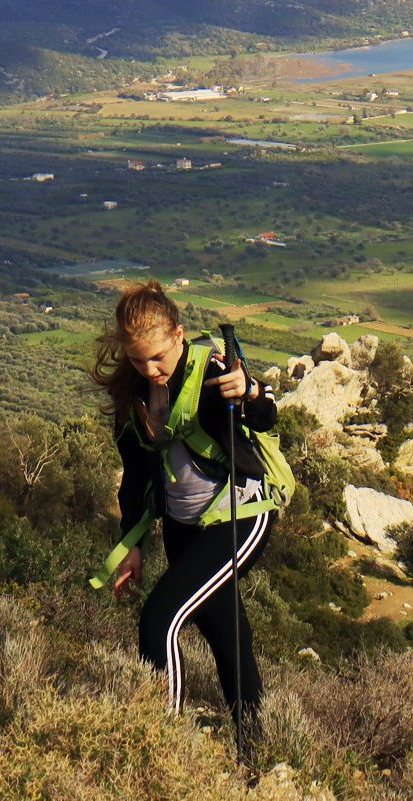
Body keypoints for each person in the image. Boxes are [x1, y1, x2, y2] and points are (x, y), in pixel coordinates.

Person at [89, 281, 280, 721]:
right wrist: (132, 543)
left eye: (157, 356)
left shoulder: (212, 370)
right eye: (138, 359)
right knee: (225, 632)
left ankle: (162, 740)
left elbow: (264, 415)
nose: (150, 369)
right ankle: (255, 742)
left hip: (239, 516)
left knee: (161, 619)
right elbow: (135, 475)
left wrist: (248, 390)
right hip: (182, 525)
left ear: (179, 334)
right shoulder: (131, 396)